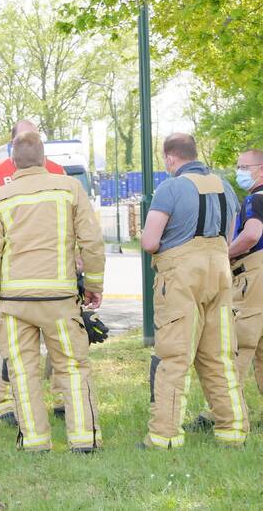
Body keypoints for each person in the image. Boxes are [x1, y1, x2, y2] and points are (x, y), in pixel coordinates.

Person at [0, 132, 105, 453]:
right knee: (73, 368)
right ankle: (84, 439)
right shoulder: (70, 189)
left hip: (16, 304)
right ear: (45, 159)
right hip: (60, 299)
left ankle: (34, 441)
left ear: (13, 162)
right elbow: (91, 241)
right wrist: (93, 286)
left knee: (22, 372)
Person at [140, 133, 247, 449]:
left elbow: (149, 241)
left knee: (174, 356)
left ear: (170, 158)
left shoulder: (170, 188)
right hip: (220, 274)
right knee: (219, 356)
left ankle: (165, 436)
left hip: (181, 277)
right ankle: (232, 432)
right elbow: (228, 237)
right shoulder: (226, 187)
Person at [0, 119, 68, 426]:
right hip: (12, 277)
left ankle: (63, 399)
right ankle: (7, 401)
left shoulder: (58, 172)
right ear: (12, 145)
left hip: (56, 275)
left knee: (63, 343)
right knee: (15, 347)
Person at [189, 148, 263, 429]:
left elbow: (252, 234)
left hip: (253, 280)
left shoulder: (254, 200)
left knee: (238, 345)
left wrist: (225, 254)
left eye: (245, 166)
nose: (239, 171)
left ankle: (219, 415)